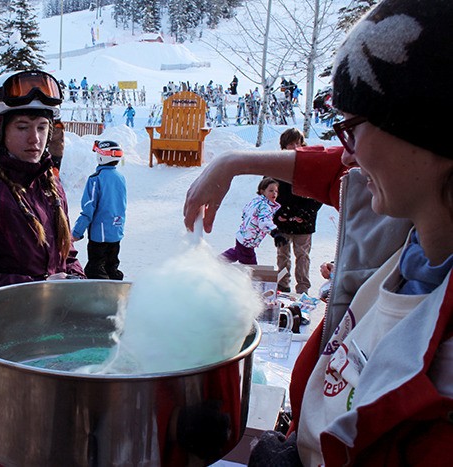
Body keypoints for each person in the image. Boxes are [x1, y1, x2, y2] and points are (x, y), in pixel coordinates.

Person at [184, 1, 453, 464]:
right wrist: (235, 162)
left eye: (349, 129)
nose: (344, 157)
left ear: (426, 130)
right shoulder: (416, 246)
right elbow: (340, 170)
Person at [0, 70, 86, 467]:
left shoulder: (50, 183)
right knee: (1, 445)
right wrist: (41, 287)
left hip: (52, 344)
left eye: (42, 126)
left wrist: (80, 289)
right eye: (23, 126)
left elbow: (67, 256)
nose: (35, 138)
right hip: (2, 354)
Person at [273, 128, 322, 294]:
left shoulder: (311, 166)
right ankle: (282, 285)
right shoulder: (277, 166)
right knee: (282, 256)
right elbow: (268, 193)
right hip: (283, 221)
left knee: (303, 256)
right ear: (284, 146)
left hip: (304, 222)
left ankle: (303, 289)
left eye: (297, 143)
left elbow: (319, 193)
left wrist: (305, 213)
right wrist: (279, 213)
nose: (294, 147)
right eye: (290, 144)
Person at [72, 140, 127, 280]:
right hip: (116, 232)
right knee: (111, 266)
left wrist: (76, 232)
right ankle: (116, 294)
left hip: (99, 236)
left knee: (95, 269)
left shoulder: (96, 179)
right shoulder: (120, 178)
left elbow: (88, 209)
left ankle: (98, 297)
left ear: (102, 156)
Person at [221, 177, 287, 265]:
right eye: (271, 190)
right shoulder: (265, 206)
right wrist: (275, 233)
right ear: (262, 191)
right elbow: (264, 222)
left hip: (243, 237)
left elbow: (245, 212)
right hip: (248, 241)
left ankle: (218, 261)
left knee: (237, 253)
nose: (274, 193)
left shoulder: (256, 201)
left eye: (276, 191)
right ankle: (249, 278)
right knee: (251, 267)